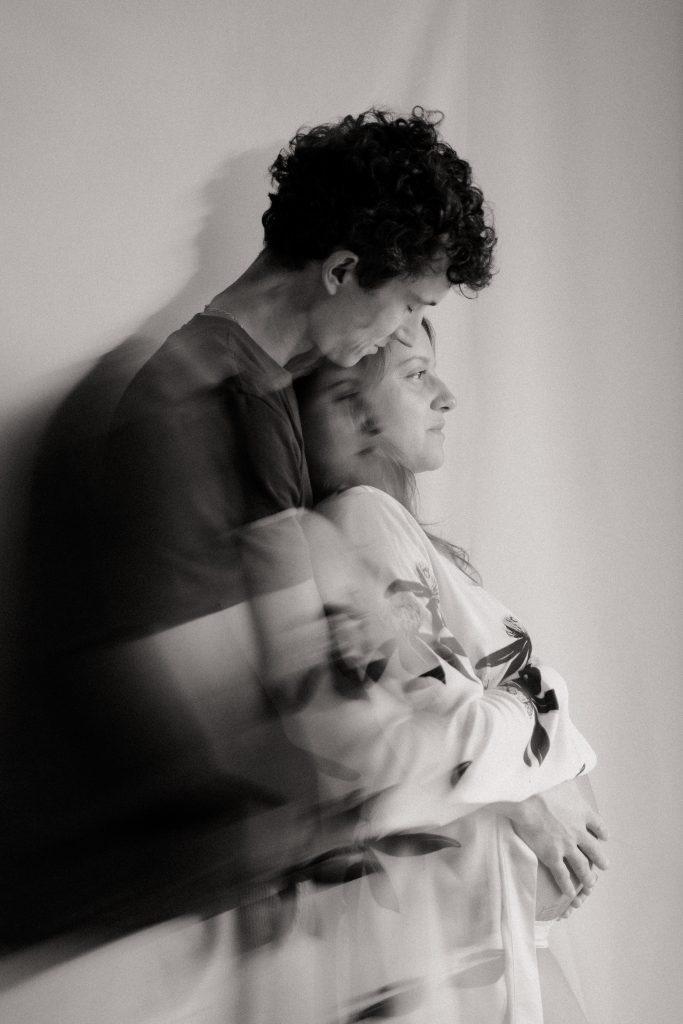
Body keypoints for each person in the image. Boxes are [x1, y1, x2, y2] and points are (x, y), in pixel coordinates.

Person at [2, 108, 497, 1022]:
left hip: (206, 919)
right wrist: (448, 764)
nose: (405, 335)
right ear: (341, 269)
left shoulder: (273, 404)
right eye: (411, 306)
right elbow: (208, 720)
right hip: (113, 940)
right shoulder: (174, 402)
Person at [282, 319, 608, 1022]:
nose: (445, 394)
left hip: (479, 929)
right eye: (415, 374)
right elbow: (445, 726)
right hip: (458, 941)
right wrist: (537, 787)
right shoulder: (363, 519)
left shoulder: (387, 529)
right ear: (349, 407)